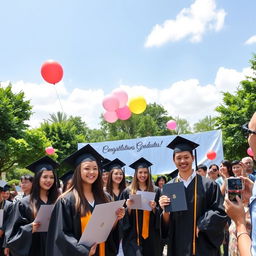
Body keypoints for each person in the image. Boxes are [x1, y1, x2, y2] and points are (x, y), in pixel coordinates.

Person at [46, 144, 125, 256]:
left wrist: (116, 218)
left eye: (95, 168)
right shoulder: (66, 200)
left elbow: (106, 230)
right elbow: (61, 235)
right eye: (87, 168)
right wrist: (83, 250)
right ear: (78, 171)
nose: (92, 172)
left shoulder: (106, 197)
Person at [159, 136, 227, 256]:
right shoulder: (169, 187)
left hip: (202, 243)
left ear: (193, 158)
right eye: (178, 158)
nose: (183, 161)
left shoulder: (208, 184)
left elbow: (219, 210)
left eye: (186, 157)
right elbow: (165, 225)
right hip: (178, 245)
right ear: (173, 160)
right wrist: (165, 211)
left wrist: (203, 223)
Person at [5, 156, 60, 256]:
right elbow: (12, 235)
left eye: (51, 177)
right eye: (45, 177)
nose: (49, 180)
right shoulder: (24, 203)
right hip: (33, 250)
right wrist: (30, 228)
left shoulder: (57, 201)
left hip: (54, 249)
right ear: (37, 178)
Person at [120, 157, 161, 256]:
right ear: (136, 174)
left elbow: (163, 214)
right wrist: (128, 208)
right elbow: (120, 215)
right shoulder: (127, 191)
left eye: (145, 172)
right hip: (133, 236)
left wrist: (155, 208)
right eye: (140, 172)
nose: (143, 175)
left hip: (152, 236)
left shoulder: (156, 191)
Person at [0, 180, 12, 256]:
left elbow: (10, 221)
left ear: (2, 193)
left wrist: (2, 230)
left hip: (4, 239)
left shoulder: (9, 205)